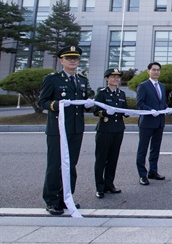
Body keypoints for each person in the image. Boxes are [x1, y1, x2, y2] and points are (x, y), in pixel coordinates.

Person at [38, 45, 93, 215]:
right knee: (55, 165)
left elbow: (84, 101)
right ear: (61, 61)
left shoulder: (82, 80)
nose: (73, 61)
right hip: (58, 129)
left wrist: (89, 104)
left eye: (75, 58)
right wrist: (56, 105)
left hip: (76, 128)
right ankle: (52, 200)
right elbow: (43, 102)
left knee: (71, 165)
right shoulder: (52, 79)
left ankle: (66, 197)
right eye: (69, 58)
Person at [93, 68, 127, 199]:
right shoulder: (102, 93)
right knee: (101, 159)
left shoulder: (121, 93)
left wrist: (127, 113)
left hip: (118, 129)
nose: (116, 79)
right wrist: (106, 112)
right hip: (105, 129)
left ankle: (109, 184)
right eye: (113, 77)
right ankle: (99, 187)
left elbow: (124, 109)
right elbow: (96, 111)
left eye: (118, 77)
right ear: (107, 79)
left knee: (113, 159)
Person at [136, 62, 168, 185]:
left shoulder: (162, 86)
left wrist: (167, 108)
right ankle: (142, 175)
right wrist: (150, 110)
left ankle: (153, 171)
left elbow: (162, 102)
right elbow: (140, 103)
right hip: (147, 122)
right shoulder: (143, 86)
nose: (156, 72)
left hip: (159, 122)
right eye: (154, 70)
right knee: (142, 149)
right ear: (148, 71)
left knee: (155, 148)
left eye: (158, 70)